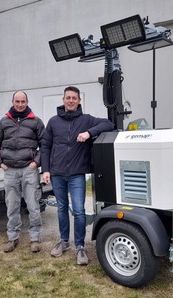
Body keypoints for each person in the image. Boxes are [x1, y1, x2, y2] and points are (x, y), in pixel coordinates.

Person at [41, 86, 114, 265]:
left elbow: (109, 124)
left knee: (79, 211)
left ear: (79, 101)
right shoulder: (53, 122)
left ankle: (80, 246)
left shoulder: (87, 120)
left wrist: (89, 133)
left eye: (74, 98)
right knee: (61, 208)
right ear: (63, 99)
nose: (71, 101)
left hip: (76, 174)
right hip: (57, 173)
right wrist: (46, 170)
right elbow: (45, 146)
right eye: (68, 98)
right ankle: (64, 241)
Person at [0, 91, 45, 253]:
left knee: (33, 205)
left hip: (29, 170)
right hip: (10, 171)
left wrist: (36, 163)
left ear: (27, 102)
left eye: (23, 101)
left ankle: (34, 239)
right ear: (12, 102)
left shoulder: (35, 122)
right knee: (12, 205)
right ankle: (12, 238)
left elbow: (45, 145)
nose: (20, 104)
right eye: (17, 101)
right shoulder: (4, 122)